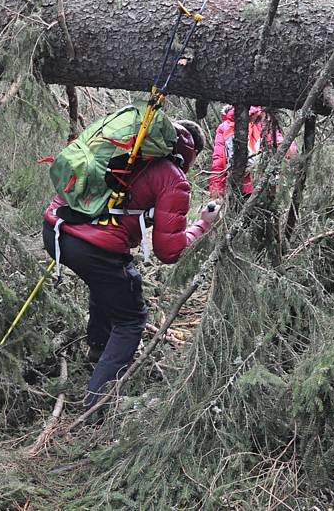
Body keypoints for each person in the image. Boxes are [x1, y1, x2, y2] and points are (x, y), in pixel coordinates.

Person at [42, 119, 219, 410]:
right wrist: (203, 225)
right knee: (131, 319)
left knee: (110, 283)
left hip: (55, 230)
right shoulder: (172, 177)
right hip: (93, 248)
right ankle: (97, 405)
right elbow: (170, 251)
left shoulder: (124, 150)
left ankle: (98, 351)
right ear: (191, 152)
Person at [209, 105, 297, 198]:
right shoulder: (263, 119)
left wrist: (216, 192)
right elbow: (283, 147)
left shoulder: (224, 127)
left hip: (238, 188)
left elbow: (219, 162)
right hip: (265, 185)